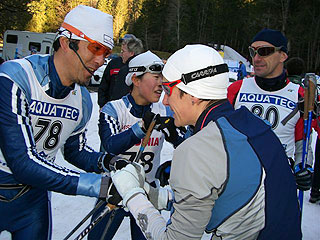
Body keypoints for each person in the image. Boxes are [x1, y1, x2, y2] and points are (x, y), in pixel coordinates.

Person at [110, 44, 302, 239]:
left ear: (192, 93)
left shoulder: (197, 148)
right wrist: (157, 196)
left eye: (168, 90)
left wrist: (133, 195)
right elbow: (231, 193)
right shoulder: (253, 124)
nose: (165, 102)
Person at [0, 5, 117, 239]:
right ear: (66, 42)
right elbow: (22, 161)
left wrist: (112, 162)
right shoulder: (16, 77)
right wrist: (99, 186)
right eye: (95, 48)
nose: (100, 60)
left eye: (106, 53)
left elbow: (76, 152)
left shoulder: (82, 99)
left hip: (33, 199)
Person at [89, 50, 185, 240]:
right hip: (113, 189)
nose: (161, 84)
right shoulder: (114, 109)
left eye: (163, 78)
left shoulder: (164, 108)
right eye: (156, 77)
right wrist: (140, 128)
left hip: (147, 190)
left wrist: (174, 134)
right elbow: (110, 145)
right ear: (136, 80)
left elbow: (185, 142)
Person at [228, 28, 313, 192]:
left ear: (283, 56)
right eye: (253, 52)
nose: (256, 59)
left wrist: (304, 167)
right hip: (239, 182)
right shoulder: (236, 89)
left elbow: (302, 141)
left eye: (264, 51)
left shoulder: (299, 95)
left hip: (277, 183)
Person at [97, 35, 144, 109]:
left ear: (131, 53)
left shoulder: (142, 67)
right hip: (112, 107)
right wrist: (102, 105)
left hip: (131, 111)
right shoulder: (114, 63)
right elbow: (104, 86)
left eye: (123, 51)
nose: (120, 54)